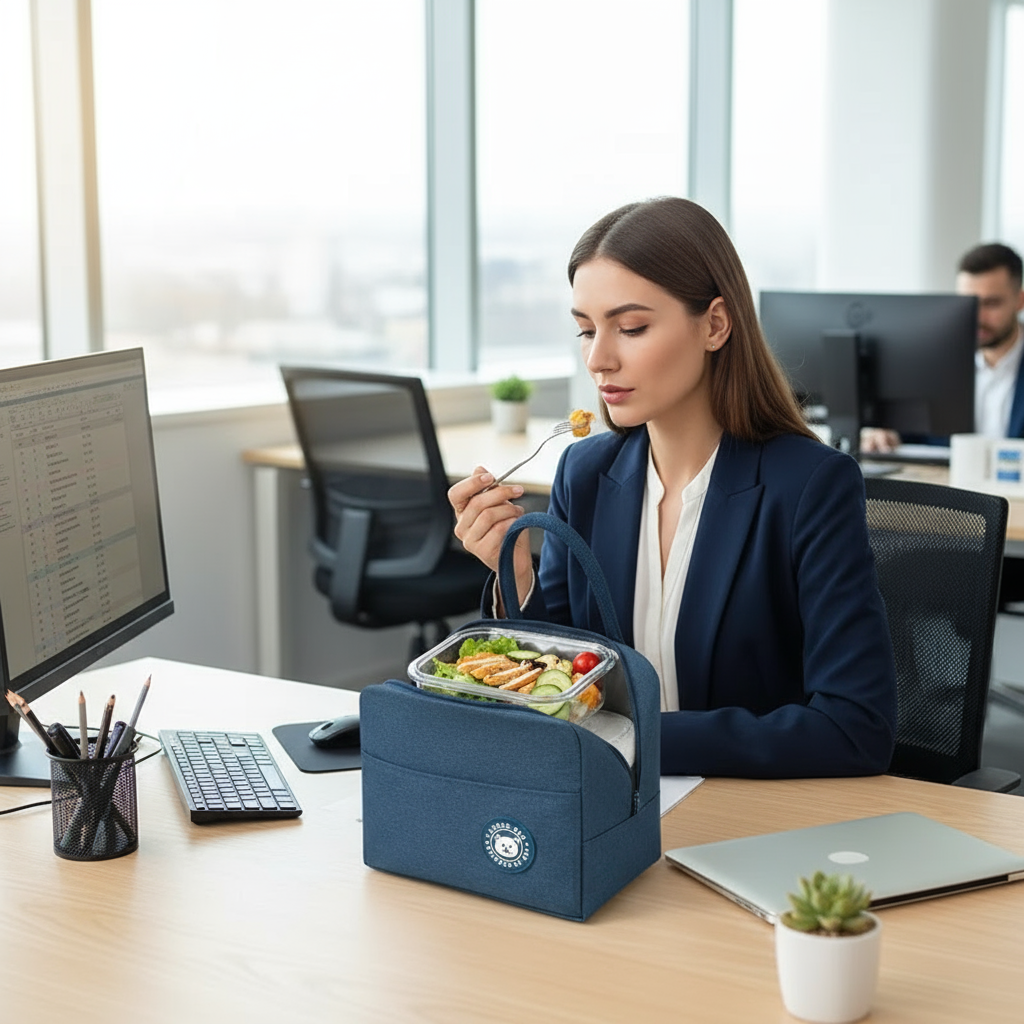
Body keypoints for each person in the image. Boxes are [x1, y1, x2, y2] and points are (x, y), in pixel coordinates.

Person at [448, 197, 897, 778]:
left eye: (631, 328)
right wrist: (516, 573)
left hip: (745, 806)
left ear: (714, 325)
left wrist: (634, 738)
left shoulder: (809, 485)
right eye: (586, 330)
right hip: (603, 799)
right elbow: (558, 677)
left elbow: (855, 728)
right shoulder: (584, 473)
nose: (598, 359)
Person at [861, 242, 1024, 452]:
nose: (978, 317)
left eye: (991, 304)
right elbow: (913, 431)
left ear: (1020, 301)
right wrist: (886, 434)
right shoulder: (938, 362)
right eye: (968, 303)